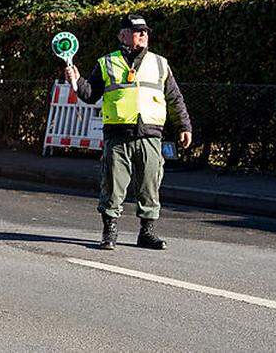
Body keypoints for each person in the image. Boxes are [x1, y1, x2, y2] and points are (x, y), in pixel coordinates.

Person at [64, 14, 193, 250]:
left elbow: (174, 98)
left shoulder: (160, 63)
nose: (143, 35)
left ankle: (147, 233)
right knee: (113, 185)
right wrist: (77, 80)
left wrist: (184, 125)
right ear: (122, 35)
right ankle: (109, 232)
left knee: (150, 184)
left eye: (145, 31)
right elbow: (91, 94)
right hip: (118, 134)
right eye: (137, 31)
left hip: (150, 134)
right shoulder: (106, 62)